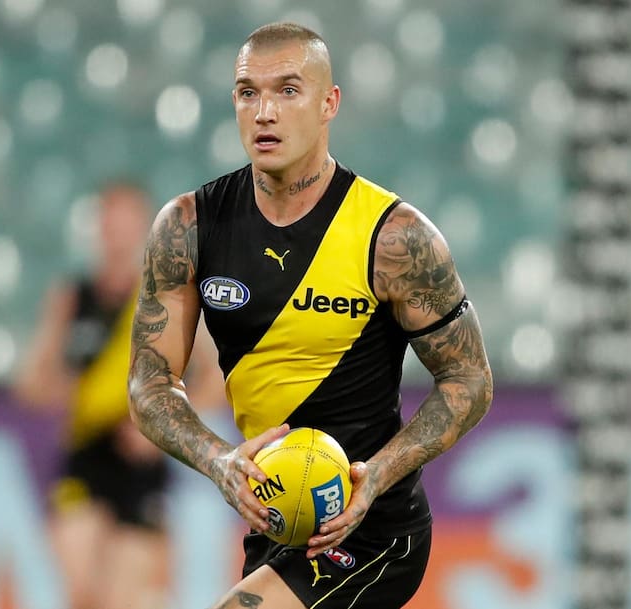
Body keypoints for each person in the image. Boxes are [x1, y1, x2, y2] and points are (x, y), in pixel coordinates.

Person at [127, 22, 493, 609]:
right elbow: (150, 384)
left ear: (329, 104)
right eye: (249, 92)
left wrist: (376, 474)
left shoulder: (393, 238)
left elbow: (470, 380)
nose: (264, 112)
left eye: (288, 90)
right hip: (278, 524)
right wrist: (218, 459)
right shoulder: (188, 228)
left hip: (373, 528)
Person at [14, 181, 172, 609]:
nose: (116, 234)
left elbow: (210, 380)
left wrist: (159, 426)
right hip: (85, 458)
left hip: (141, 468)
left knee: (125, 600)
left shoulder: (166, 299)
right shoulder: (72, 297)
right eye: (109, 222)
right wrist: (65, 393)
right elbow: (30, 383)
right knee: (79, 591)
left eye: (126, 223)